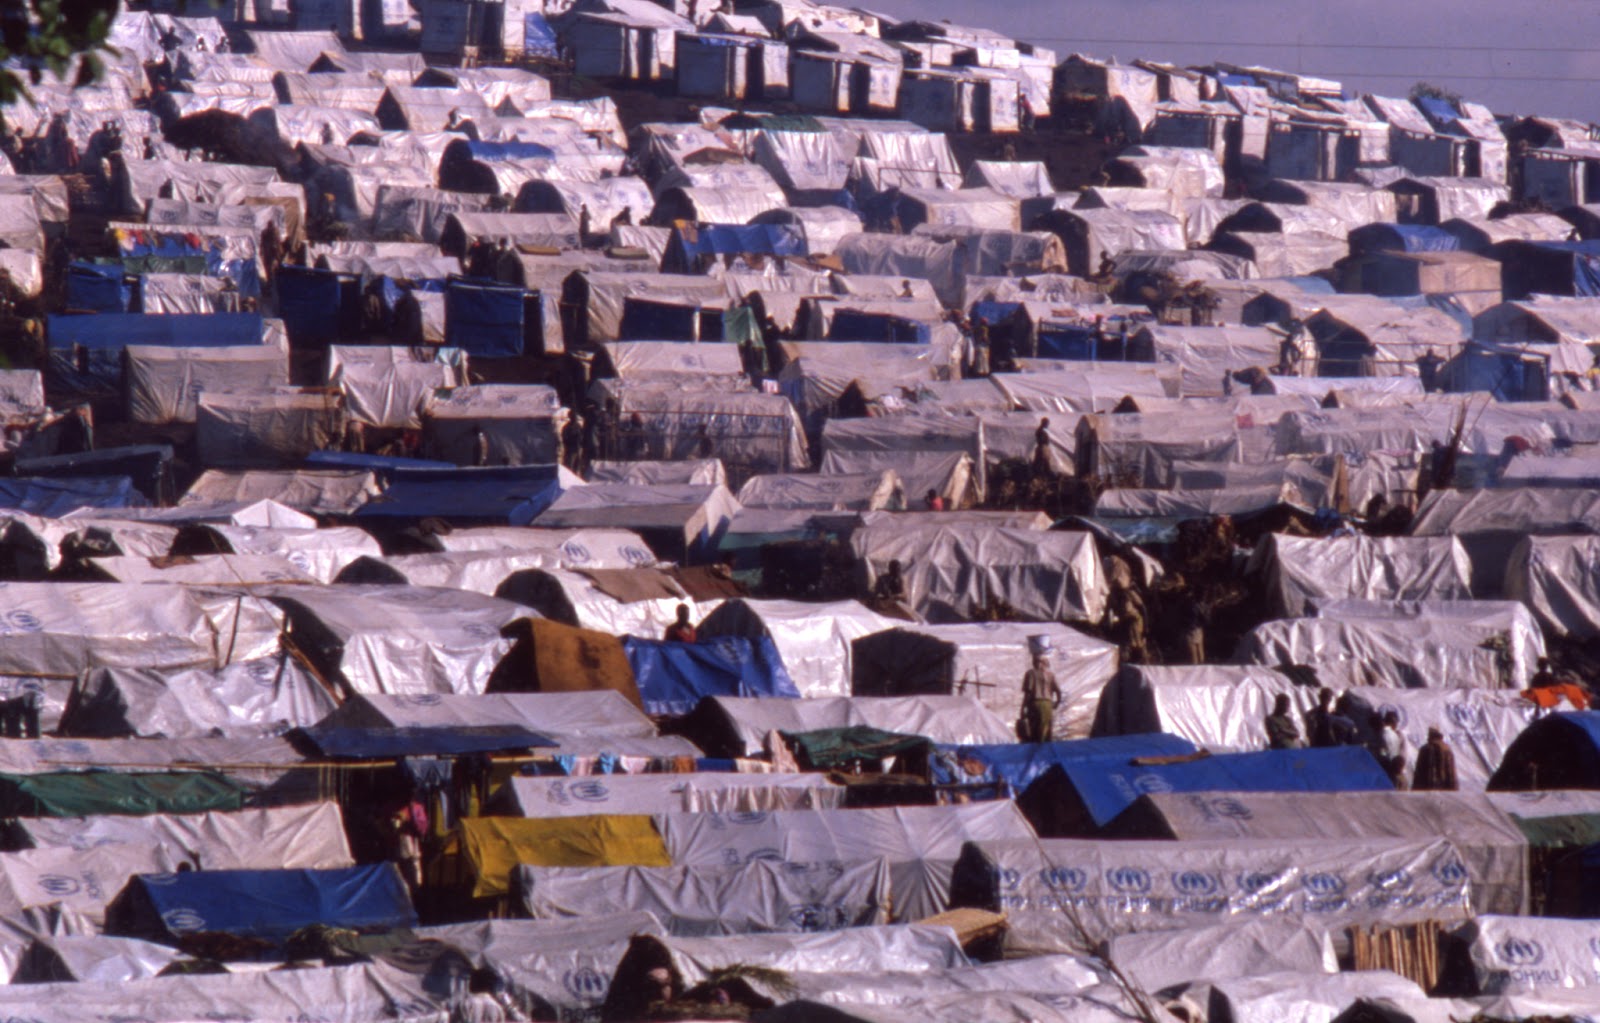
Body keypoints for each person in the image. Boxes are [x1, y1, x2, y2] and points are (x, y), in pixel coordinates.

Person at [1018, 652, 1061, 743]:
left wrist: (1022, 708)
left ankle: (1036, 751)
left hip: (1035, 703)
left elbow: (1028, 693)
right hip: (1048, 704)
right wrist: (1057, 703)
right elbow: (1058, 691)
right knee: (1046, 730)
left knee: (1035, 730)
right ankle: (1045, 749)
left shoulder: (1030, 673)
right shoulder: (1050, 675)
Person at [1374, 710, 1407, 788]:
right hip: (1394, 769)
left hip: (1384, 769)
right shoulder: (1394, 735)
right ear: (1394, 723)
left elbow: (1383, 753)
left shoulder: (1381, 734)